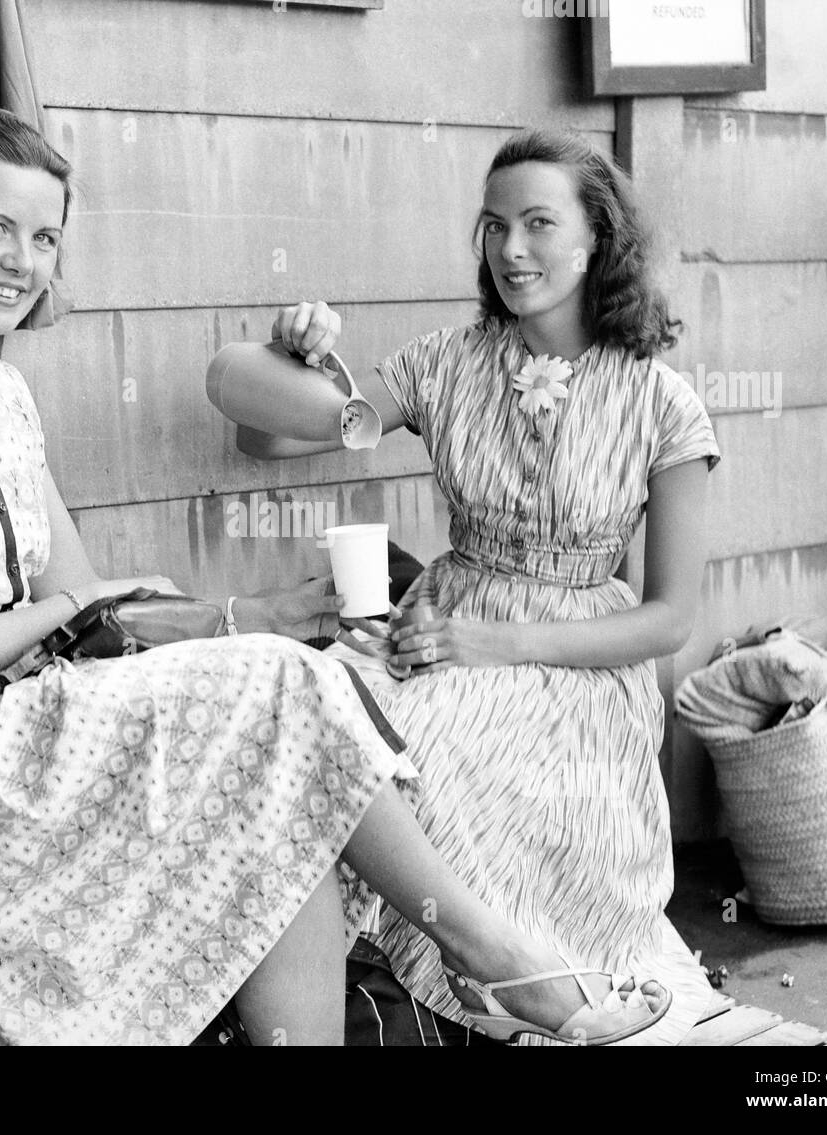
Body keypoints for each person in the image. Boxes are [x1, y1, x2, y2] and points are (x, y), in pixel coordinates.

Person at [0, 108, 672, 1046]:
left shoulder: (3, 389)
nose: (20, 262)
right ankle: (501, 961)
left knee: (287, 777)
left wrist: (258, 614)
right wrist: (79, 608)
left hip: (26, 712)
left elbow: (96, 626)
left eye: (43, 238)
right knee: (289, 705)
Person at [222, 128, 721, 1044]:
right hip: (438, 621)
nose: (512, 250)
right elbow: (267, 437)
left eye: (538, 223)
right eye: (494, 226)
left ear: (598, 239)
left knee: (418, 751)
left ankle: (502, 979)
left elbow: (669, 620)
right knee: (317, 726)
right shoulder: (447, 362)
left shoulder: (663, 403)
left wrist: (498, 643)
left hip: (576, 668)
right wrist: (290, 354)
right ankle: (317, 1007)